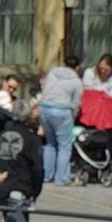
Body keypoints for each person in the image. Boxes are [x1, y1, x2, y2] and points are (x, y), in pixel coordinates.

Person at [38, 55, 82, 190]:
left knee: (50, 143)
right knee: (64, 145)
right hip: (62, 111)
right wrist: (72, 118)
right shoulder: (76, 82)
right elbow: (75, 104)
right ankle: (62, 178)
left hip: (44, 108)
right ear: (78, 67)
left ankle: (46, 175)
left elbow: (44, 88)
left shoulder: (52, 73)